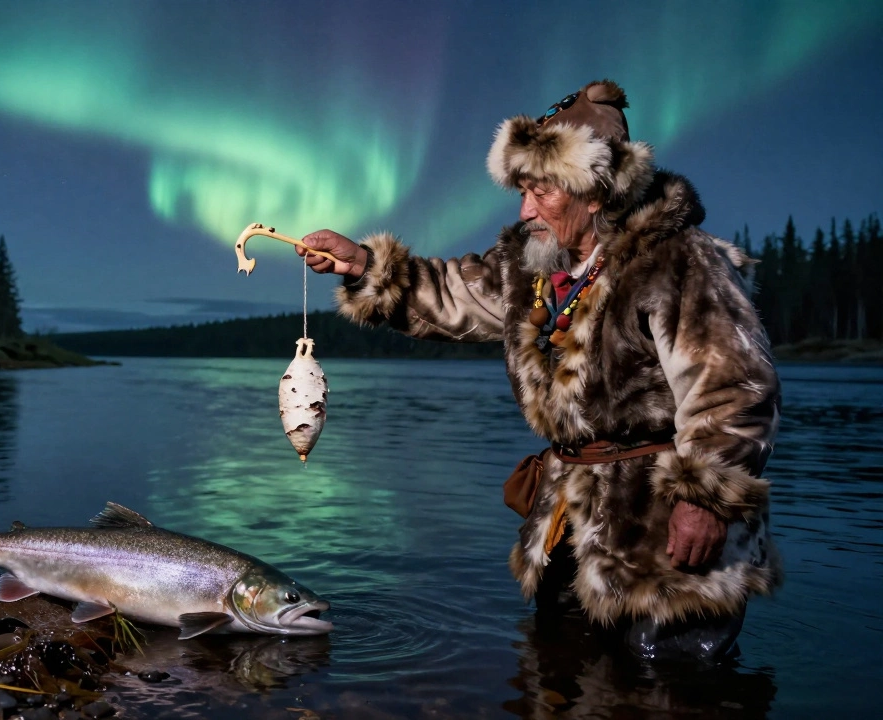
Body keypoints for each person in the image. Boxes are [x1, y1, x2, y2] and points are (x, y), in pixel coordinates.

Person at [297, 79, 781, 664]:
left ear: (596, 191)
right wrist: (363, 265)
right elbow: (452, 295)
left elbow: (734, 388)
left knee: (671, 685)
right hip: (570, 520)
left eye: (541, 190)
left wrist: (704, 500)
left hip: (662, 528)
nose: (525, 209)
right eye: (523, 190)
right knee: (558, 670)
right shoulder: (531, 266)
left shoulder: (677, 261)